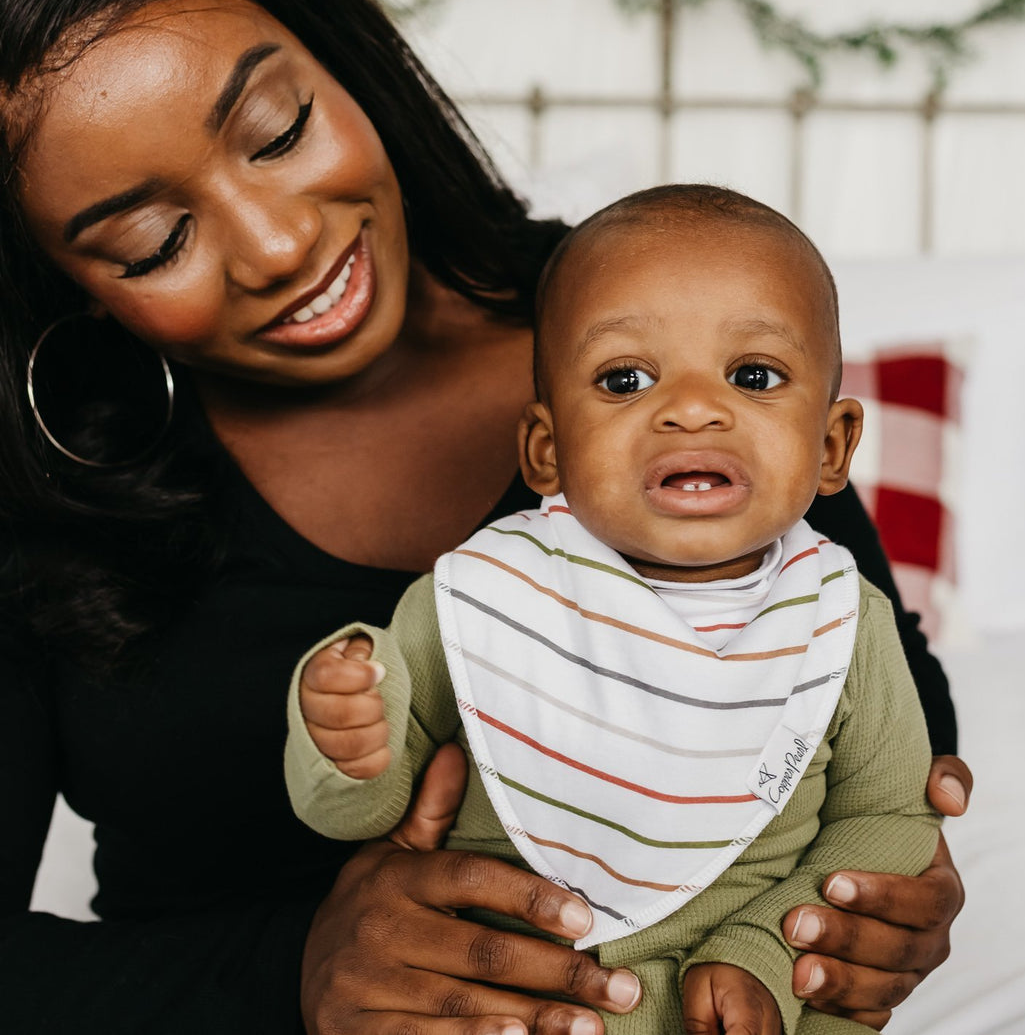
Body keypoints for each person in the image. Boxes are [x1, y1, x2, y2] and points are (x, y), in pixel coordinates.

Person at [0, 0, 969, 1035]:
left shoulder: (649, 324)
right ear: (61, 283)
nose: (275, 242)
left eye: (278, 127)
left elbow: (866, 682)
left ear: (343, 66)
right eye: (153, 240)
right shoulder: (38, 494)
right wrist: (292, 968)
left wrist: (869, 890)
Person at [288, 185, 942, 1034]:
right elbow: (364, 815)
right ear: (547, 450)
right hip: (511, 1002)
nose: (693, 407)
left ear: (831, 446)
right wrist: (347, 734)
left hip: (745, 1003)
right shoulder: (490, 595)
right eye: (625, 379)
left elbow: (888, 818)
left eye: (753, 375)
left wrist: (763, 955)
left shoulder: (838, 623)